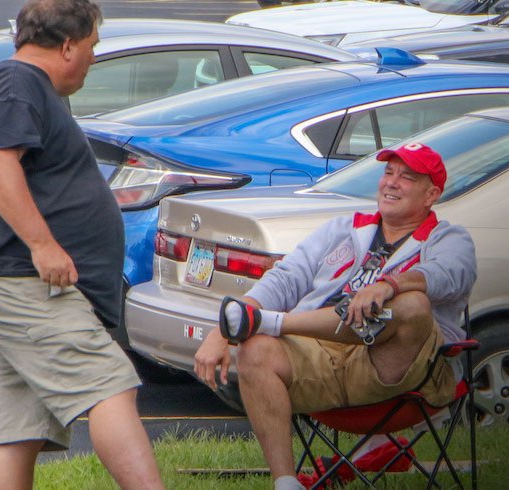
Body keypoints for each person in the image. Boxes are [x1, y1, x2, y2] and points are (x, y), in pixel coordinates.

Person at [0, 1, 163, 488]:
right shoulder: (15, 84)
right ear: (68, 45)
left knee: (18, 434)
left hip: (14, 288)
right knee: (111, 387)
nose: (93, 57)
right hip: (24, 285)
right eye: (92, 46)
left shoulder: (27, 88)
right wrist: (43, 245)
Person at [194, 142, 477, 490]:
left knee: (413, 304)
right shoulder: (343, 229)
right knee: (254, 350)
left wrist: (390, 284)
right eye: (388, 172)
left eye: (407, 177)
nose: (391, 182)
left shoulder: (448, 238)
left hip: (395, 370)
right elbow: (284, 280)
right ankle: (286, 483)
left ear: (431, 194)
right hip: (322, 356)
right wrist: (222, 332)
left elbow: (450, 274)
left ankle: (274, 323)